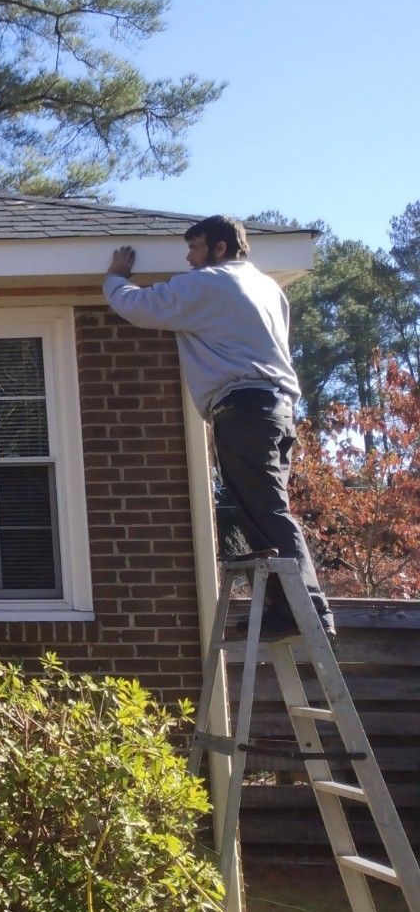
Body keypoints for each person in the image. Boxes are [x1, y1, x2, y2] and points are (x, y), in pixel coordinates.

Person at [103, 214, 335, 639]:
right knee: (260, 510)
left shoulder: (212, 283)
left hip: (245, 411)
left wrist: (116, 279)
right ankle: (287, 610)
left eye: (194, 248)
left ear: (220, 248)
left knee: (266, 511)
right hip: (277, 412)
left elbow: (138, 307)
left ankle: (310, 611)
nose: (188, 259)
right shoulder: (268, 287)